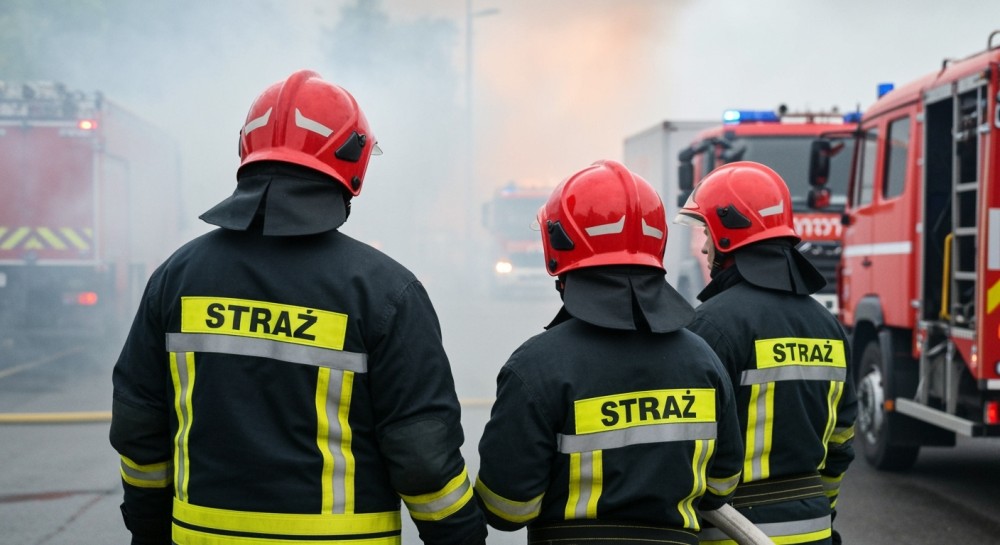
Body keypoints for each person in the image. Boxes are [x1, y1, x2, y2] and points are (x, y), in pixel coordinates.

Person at [109, 70, 486, 545]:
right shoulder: (387, 291)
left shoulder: (176, 277)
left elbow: (139, 427)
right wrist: (464, 538)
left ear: (246, 150)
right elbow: (423, 458)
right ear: (354, 159)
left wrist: (149, 530)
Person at [473, 160, 744, 545]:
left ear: (558, 246)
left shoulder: (535, 367)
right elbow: (720, 488)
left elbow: (506, 509)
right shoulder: (703, 360)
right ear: (656, 242)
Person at [674, 161, 857, 545]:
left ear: (727, 235)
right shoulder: (828, 327)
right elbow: (841, 442)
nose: (704, 246)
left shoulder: (710, 326)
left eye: (707, 232)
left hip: (729, 532)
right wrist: (819, 506)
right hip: (815, 528)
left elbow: (683, 446)